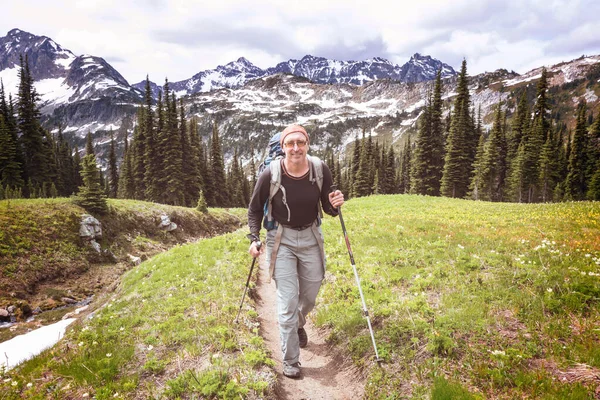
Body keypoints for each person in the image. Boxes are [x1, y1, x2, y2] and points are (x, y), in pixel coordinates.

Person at [247, 124, 345, 378]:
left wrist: (336, 205)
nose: (295, 148)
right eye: (290, 144)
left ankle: (298, 322)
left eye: (300, 143)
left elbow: (328, 207)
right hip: (282, 239)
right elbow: (255, 209)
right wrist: (253, 238)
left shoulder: (319, 169)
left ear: (307, 144)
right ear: (282, 147)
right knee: (288, 301)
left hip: (312, 236)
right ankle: (290, 360)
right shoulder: (271, 173)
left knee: (310, 294)